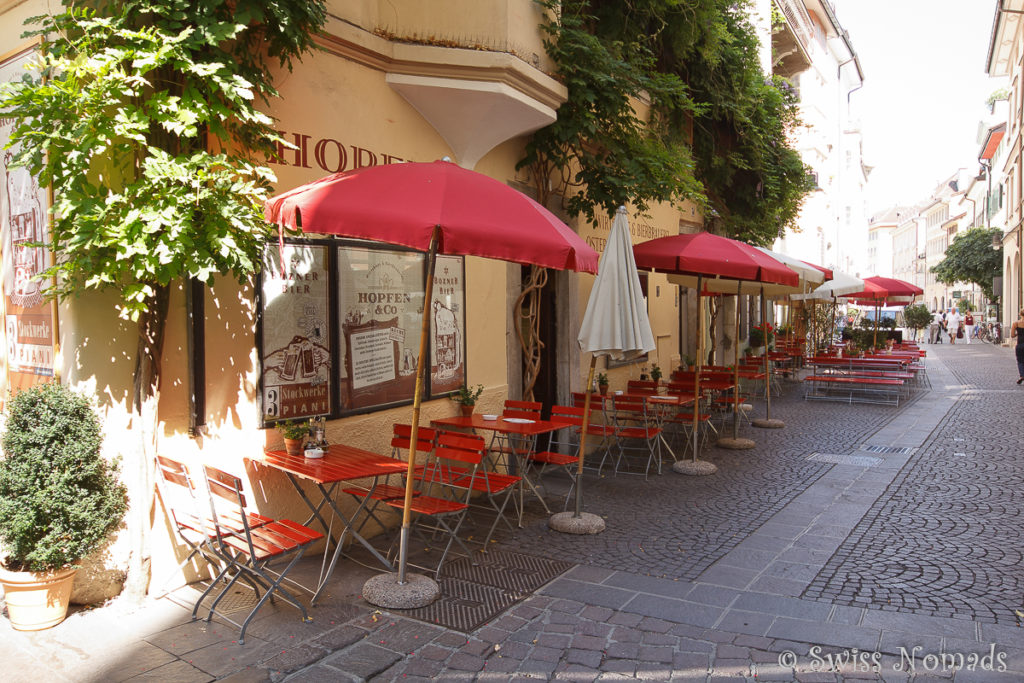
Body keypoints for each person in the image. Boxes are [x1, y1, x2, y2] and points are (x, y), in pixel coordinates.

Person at [1013, 310, 1024, 384]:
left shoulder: (1016, 323)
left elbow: (1012, 335)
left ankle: (1022, 375)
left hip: (1020, 343)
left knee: (1020, 361)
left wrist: (1018, 334)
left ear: (1020, 314)